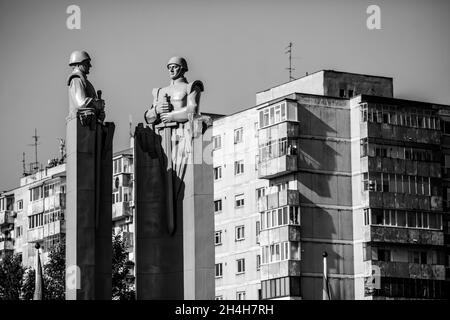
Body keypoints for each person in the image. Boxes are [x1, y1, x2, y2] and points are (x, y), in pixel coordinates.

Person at [144, 56, 205, 235]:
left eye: (175, 66)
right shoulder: (159, 92)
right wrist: (156, 110)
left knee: (178, 181)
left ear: (183, 68)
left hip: (182, 138)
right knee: (166, 180)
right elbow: (148, 117)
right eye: (169, 67)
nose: (171, 70)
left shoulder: (191, 86)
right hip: (163, 140)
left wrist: (172, 116)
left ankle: (175, 221)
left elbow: (192, 110)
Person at [67, 50, 105, 124]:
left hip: (88, 126)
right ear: (78, 64)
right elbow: (81, 104)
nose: (90, 66)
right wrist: (96, 103)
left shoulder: (86, 83)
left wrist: (100, 110)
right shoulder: (76, 79)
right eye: (87, 63)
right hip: (81, 125)